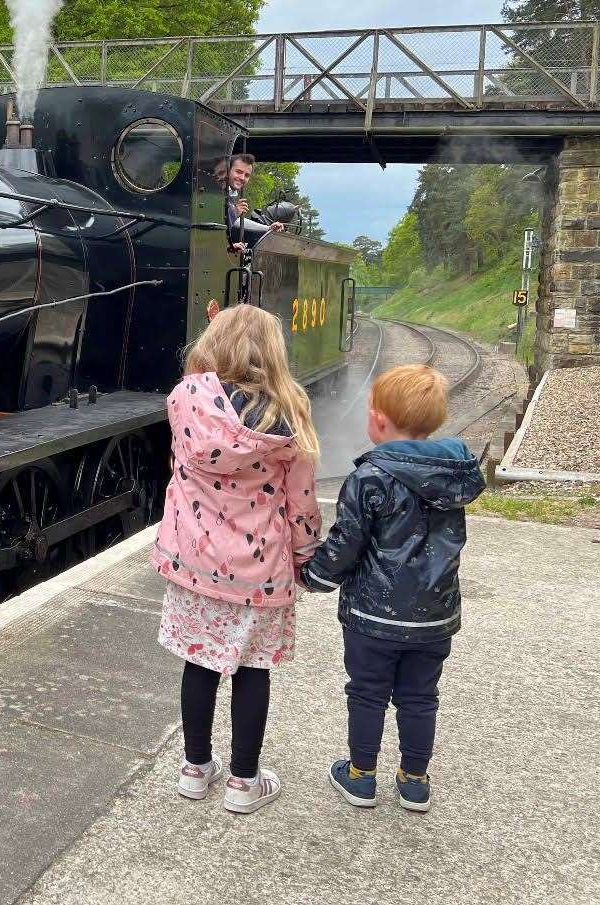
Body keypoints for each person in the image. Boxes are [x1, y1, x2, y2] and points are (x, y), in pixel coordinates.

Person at [152, 304, 321, 814]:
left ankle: (195, 769)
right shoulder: (287, 415)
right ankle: (244, 781)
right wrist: (307, 554)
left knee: (199, 665)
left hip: (193, 564)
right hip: (259, 570)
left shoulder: (185, 398)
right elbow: (302, 502)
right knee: (252, 670)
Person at [298, 364, 484, 813]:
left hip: (373, 616)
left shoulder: (369, 477)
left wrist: (314, 576)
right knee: (420, 696)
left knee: (367, 692)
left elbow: (347, 542)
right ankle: (414, 782)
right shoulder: (451, 474)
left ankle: (361, 776)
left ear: (378, 420)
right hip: (434, 616)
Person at [218, 153, 283, 255]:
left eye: (247, 175)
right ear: (227, 170)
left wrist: (268, 228)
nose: (243, 178)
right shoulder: (216, 195)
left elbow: (236, 222)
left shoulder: (229, 197)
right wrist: (228, 246)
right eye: (239, 172)